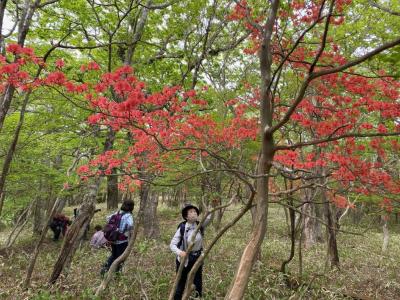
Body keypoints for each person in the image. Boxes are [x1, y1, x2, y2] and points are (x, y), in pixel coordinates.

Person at [170, 204, 212, 300]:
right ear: (186, 216)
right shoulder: (183, 228)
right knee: (180, 282)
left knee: (198, 281)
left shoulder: (200, 225)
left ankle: (197, 297)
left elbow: (209, 218)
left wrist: (212, 207)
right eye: (191, 212)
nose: (194, 213)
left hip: (198, 257)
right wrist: (180, 252)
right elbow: (172, 245)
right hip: (184, 259)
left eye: (195, 211)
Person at [100, 199, 134, 276]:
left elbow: (107, 218)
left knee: (114, 255)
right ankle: (117, 274)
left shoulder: (117, 212)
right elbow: (130, 225)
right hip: (122, 240)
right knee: (120, 257)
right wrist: (126, 230)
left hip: (113, 238)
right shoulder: (128, 215)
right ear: (132, 207)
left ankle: (105, 268)